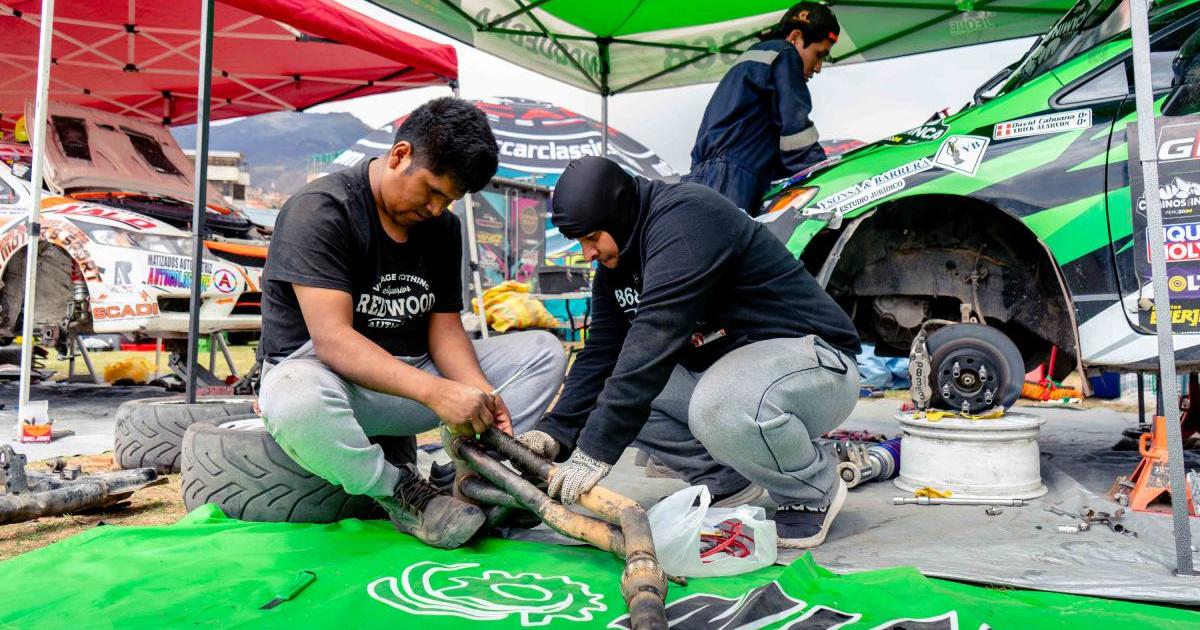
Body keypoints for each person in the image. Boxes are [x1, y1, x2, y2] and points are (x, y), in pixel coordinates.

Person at [258, 97, 566, 549]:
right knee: (293, 397)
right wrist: (439, 393)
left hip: (412, 376)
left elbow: (444, 329)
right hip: (334, 381)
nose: (438, 209)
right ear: (401, 155)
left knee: (542, 351)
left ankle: (472, 475)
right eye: (433, 191)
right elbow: (333, 341)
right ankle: (403, 493)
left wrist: (482, 397)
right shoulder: (322, 209)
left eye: (451, 200)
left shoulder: (442, 229)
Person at [518, 157, 861, 548]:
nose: (588, 253)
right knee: (621, 390)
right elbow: (602, 355)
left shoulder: (687, 218)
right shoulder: (619, 263)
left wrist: (594, 452)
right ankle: (726, 479)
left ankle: (811, 489)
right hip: (737, 373)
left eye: (593, 237)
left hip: (817, 363)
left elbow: (654, 336)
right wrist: (556, 432)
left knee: (715, 403)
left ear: (621, 212)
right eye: (580, 242)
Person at [684, 2, 840, 215]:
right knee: (729, 246)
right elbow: (796, 137)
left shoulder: (753, 61)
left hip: (703, 180)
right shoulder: (785, 54)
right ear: (795, 38)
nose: (818, 68)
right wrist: (832, 178)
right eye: (819, 54)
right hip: (732, 181)